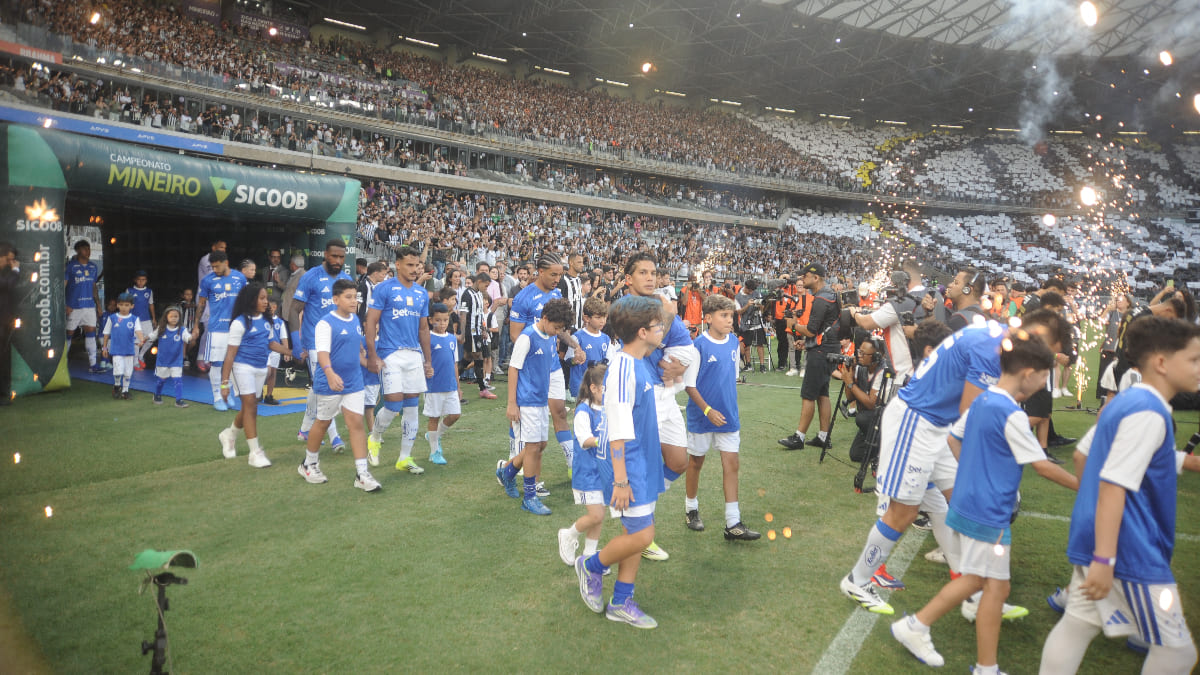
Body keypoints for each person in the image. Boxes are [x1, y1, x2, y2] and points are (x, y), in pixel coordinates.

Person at [838, 309, 1070, 616]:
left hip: (938, 424)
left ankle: (973, 595)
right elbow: (971, 411)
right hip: (918, 421)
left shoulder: (998, 339)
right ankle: (858, 579)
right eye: (1047, 351)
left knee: (952, 506)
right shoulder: (993, 346)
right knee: (904, 511)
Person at [890, 334, 1078, 672]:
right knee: (977, 582)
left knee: (994, 586)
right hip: (989, 513)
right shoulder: (1012, 414)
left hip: (972, 505)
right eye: (1045, 376)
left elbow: (953, 438)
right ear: (1029, 373)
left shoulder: (982, 401)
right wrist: (1086, 486)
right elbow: (1042, 465)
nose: (1044, 384)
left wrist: (971, 475)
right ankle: (917, 626)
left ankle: (984, 666)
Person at [1039, 317, 1200, 675]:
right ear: (1161, 362)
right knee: (1178, 653)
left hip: (1102, 538)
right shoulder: (1150, 412)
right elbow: (1113, 483)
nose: (1199, 367)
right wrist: (1106, 557)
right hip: (1129, 549)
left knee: (1077, 625)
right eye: (1193, 359)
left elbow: (1083, 456)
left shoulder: (1125, 403)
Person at [573, 295, 665, 629]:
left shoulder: (639, 360)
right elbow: (617, 428)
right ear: (642, 331)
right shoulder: (624, 367)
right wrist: (622, 480)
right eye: (657, 325)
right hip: (627, 463)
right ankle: (591, 566)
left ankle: (621, 601)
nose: (662, 329)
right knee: (642, 536)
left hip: (640, 460)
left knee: (635, 532)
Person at [681, 294, 760, 541]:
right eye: (724, 316)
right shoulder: (698, 346)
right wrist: (707, 410)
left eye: (731, 316)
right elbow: (689, 385)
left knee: (731, 464)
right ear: (708, 318)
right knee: (696, 462)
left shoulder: (734, 342)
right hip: (703, 417)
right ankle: (691, 508)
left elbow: (731, 378)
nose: (729, 321)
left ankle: (732, 522)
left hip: (728, 417)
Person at [507, 253, 586, 497]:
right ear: (539, 272)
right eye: (553, 274)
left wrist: (574, 345)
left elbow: (558, 328)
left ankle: (573, 464)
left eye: (560, 275)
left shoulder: (556, 294)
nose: (557, 279)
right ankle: (518, 469)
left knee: (559, 413)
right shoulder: (523, 298)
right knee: (529, 424)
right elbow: (516, 336)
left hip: (552, 366)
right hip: (533, 369)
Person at [299, 279, 382, 493]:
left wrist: (369, 364)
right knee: (323, 422)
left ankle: (362, 474)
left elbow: (356, 352)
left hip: (354, 381)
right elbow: (323, 354)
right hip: (330, 384)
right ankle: (309, 463)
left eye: (355, 297)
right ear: (335, 299)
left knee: (356, 423)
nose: (354, 301)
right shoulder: (325, 324)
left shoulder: (355, 320)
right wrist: (330, 374)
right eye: (348, 297)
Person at [495, 298, 572, 515]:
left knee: (541, 445)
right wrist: (512, 404)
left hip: (540, 401)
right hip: (526, 401)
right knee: (532, 447)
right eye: (556, 327)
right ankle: (529, 497)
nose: (558, 332)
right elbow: (513, 369)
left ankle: (507, 473)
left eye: (560, 329)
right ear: (545, 318)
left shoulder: (549, 337)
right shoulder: (527, 337)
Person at [365, 246, 433, 474]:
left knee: (412, 405)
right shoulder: (384, 289)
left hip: (413, 354)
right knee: (393, 405)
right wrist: (373, 355)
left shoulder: (421, 293)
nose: (415, 270)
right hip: (390, 353)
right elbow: (371, 322)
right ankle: (374, 438)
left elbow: (424, 329)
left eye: (417, 266)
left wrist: (427, 360)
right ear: (398, 265)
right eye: (410, 265)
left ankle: (405, 458)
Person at [218, 283, 291, 468]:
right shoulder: (240, 322)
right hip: (243, 367)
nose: (266, 302)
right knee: (250, 406)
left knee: (250, 406)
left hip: (261, 368)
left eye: (266, 298)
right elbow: (230, 355)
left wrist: (290, 351)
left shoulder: (267, 321)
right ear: (250, 300)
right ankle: (255, 453)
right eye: (262, 298)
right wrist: (224, 383)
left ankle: (230, 434)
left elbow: (271, 343)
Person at [293, 241, 353, 450]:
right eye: (334, 256)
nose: (338, 261)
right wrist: (295, 340)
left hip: (340, 343)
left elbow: (352, 312)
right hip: (316, 343)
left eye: (341, 257)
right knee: (329, 387)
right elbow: (295, 307)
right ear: (325, 255)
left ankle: (305, 428)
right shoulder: (311, 277)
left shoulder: (346, 279)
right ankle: (335, 437)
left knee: (318, 389)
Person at [778, 262, 842, 451]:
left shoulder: (821, 299)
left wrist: (793, 324)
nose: (801, 279)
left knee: (808, 394)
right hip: (829, 347)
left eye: (805, 276)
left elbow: (812, 330)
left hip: (821, 351)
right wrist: (807, 343)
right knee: (823, 393)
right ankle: (823, 436)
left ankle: (799, 437)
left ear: (816, 278)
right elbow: (824, 329)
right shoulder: (831, 295)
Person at [557, 363, 611, 566]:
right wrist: (606, 439)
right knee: (596, 514)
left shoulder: (608, 407)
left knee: (599, 515)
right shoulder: (583, 410)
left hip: (604, 472)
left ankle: (589, 558)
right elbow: (584, 440)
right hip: (587, 472)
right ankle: (569, 534)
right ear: (593, 388)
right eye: (606, 387)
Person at [192, 251, 248, 411]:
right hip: (216, 329)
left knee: (233, 363)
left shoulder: (240, 278)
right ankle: (217, 396)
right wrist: (196, 325)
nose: (215, 269)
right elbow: (201, 304)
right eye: (212, 266)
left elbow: (245, 302)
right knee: (217, 364)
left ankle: (227, 392)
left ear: (226, 262)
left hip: (236, 328)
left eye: (217, 266)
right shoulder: (207, 281)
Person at [848, 271, 917, 382]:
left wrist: (854, 313)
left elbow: (866, 323)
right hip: (912, 367)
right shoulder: (914, 301)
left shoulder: (897, 304)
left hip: (902, 372)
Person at [422, 303, 460, 466]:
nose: (442, 323)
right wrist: (426, 369)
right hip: (434, 386)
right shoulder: (427, 338)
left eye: (445, 320)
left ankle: (434, 436)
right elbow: (422, 362)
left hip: (450, 385)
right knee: (434, 417)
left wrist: (458, 386)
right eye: (438, 320)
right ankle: (434, 451)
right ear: (431, 320)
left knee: (455, 415)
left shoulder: (452, 338)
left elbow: (454, 363)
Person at [65, 240, 102, 373]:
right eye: (85, 249)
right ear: (78, 250)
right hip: (74, 306)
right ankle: (61, 364)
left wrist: (98, 305)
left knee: (91, 333)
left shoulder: (93, 267)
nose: (88, 251)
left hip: (89, 307)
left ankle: (93, 365)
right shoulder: (71, 266)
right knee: (68, 335)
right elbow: (63, 285)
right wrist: (65, 304)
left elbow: (93, 287)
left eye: (89, 249)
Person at [101, 292, 145, 400]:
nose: (124, 307)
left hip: (129, 349)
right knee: (118, 371)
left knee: (128, 372)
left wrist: (141, 339)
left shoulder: (134, 319)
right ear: (117, 305)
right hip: (116, 349)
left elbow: (138, 330)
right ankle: (116, 386)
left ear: (132, 306)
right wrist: (105, 347)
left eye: (126, 305)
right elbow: (106, 333)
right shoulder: (112, 318)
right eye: (121, 305)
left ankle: (125, 391)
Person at [461, 272, 497, 400]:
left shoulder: (478, 294)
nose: (486, 288)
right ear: (479, 281)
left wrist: (483, 329)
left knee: (470, 357)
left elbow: (479, 314)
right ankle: (482, 388)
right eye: (486, 286)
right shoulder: (467, 294)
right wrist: (462, 333)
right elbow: (463, 315)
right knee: (477, 357)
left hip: (477, 330)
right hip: (470, 331)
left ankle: (454, 382)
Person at [147, 305, 190, 407]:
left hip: (176, 361)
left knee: (177, 380)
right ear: (166, 317)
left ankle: (178, 400)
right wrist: (142, 340)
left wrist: (192, 336)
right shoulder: (161, 329)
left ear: (179, 317)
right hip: (163, 361)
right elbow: (152, 336)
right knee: (161, 380)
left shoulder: (182, 330)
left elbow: (188, 338)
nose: (174, 318)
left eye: (176, 316)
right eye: (171, 316)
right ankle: (157, 395)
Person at [569, 298, 610, 399]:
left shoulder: (606, 338)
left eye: (604, 317)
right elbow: (568, 360)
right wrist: (575, 360)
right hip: (581, 386)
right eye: (598, 317)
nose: (602, 321)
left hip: (599, 386)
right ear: (587, 318)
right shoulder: (577, 337)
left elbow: (609, 363)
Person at [0, 242, 20, 404]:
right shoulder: (7, 275)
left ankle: (3, 393)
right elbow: (7, 285)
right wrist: (15, 270)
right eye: (7, 260)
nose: (9, 263)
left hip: (5, 320)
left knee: (4, 358)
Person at [735, 278, 767, 372]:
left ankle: (762, 365)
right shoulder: (738, 297)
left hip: (757, 322)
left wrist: (760, 306)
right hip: (745, 323)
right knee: (747, 345)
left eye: (753, 290)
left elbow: (763, 307)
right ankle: (748, 364)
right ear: (746, 288)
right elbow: (738, 311)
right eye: (751, 290)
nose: (752, 292)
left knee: (760, 344)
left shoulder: (756, 293)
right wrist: (748, 305)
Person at [127, 271, 155, 370]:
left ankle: (141, 355)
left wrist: (154, 318)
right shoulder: (129, 291)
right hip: (134, 320)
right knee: (136, 341)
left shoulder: (149, 291)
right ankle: (135, 362)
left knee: (151, 338)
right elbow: (126, 305)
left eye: (143, 280)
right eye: (139, 279)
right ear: (135, 280)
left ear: (146, 281)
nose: (141, 282)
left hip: (146, 319)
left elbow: (151, 305)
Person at [945, 268, 988, 332]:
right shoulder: (984, 317)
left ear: (967, 289)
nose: (950, 285)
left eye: (956, 283)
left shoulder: (959, 321)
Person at [262, 299, 288, 405]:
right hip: (264, 349)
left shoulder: (279, 322)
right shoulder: (262, 320)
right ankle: (258, 391)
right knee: (265, 372)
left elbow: (284, 337)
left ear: (275, 308)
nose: (269, 309)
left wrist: (286, 351)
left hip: (275, 350)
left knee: (272, 373)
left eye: (271, 307)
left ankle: (269, 395)